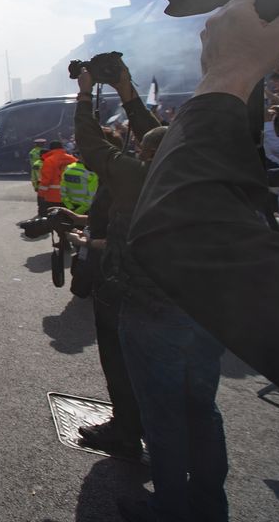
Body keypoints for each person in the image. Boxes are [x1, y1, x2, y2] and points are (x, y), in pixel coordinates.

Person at [129, 0, 279, 394]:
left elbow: (178, 231)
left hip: (167, 314)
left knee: (177, 415)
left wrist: (228, 74)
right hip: (188, 318)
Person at [71, 59, 163, 465]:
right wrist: (125, 90)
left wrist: (86, 93)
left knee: (125, 364)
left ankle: (130, 431)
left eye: (142, 146)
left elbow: (91, 146)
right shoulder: (182, 170)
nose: (136, 146)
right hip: (176, 295)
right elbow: (157, 135)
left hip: (130, 290)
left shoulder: (137, 175)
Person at [37, 140, 75, 214]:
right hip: (70, 196)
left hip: (53, 197)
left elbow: (46, 180)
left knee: (52, 220)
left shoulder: (49, 160)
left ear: (51, 149)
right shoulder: (72, 159)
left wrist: (41, 194)